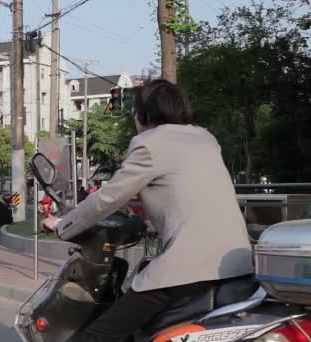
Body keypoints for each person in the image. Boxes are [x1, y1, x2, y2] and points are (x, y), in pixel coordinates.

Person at [41, 80, 253, 342]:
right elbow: (187, 192)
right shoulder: (205, 138)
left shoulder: (150, 143)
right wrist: (154, 223)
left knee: (96, 336)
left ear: (144, 115)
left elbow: (107, 198)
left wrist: (62, 224)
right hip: (237, 264)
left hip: (190, 266)